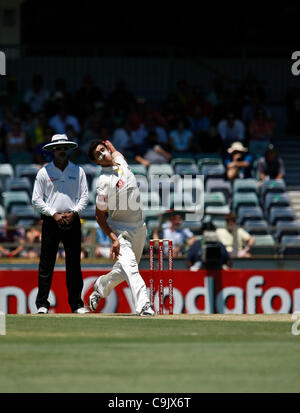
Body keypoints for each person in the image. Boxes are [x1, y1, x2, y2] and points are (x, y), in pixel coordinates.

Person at [87, 139, 154, 316]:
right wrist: (114, 239)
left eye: (103, 150)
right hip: (120, 230)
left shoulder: (121, 161)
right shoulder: (103, 182)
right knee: (131, 267)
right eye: (98, 154)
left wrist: (110, 147)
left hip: (139, 227)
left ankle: (100, 286)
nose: (102, 154)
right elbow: (99, 216)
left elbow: (115, 152)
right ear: (96, 162)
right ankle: (144, 306)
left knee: (124, 270)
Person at [32, 134, 89, 314]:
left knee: (74, 264)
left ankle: (77, 304)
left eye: (64, 148)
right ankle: (42, 304)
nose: (62, 151)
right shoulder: (44, 172)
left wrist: (74, 213)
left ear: (68, 150)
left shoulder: (78, 171)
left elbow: (85, 196)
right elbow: (36, 199)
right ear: (53, 150)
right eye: (58, 148)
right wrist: (53, 214)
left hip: (73, 221)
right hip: (51, 221)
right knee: (46, 264)